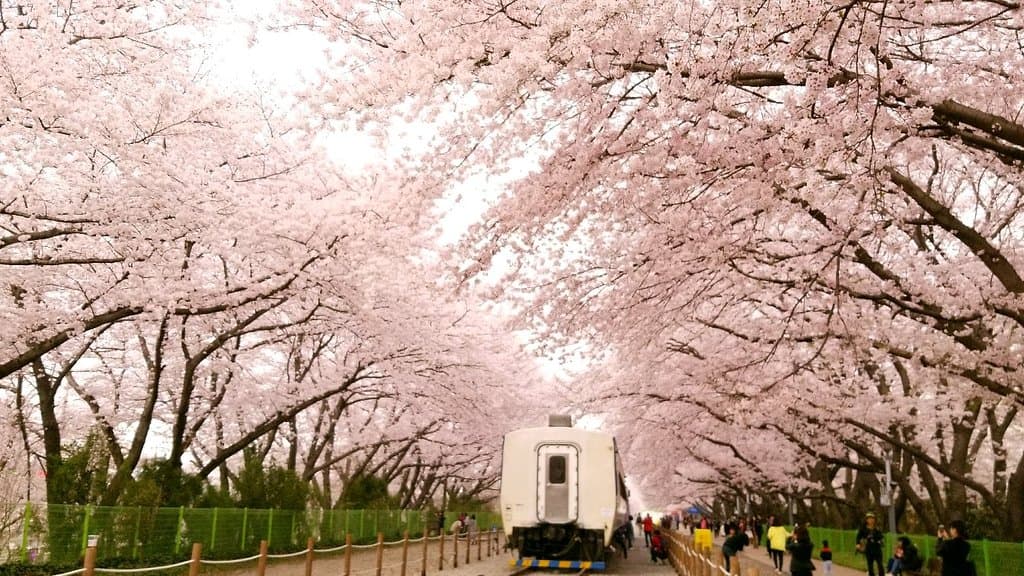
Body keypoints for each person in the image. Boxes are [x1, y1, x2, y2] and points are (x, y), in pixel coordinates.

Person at [856, 512, 885, 576]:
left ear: (874, 520)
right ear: (866, 520)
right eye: (869, 518)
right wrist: (858, 544)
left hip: (877, 548)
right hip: (869, 549)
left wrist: (881, 540)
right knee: (870, 566)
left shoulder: (877, 528)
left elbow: (881, 537)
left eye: (872, 518)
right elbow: (858, 537)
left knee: (880, 565)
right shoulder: (863, 528)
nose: (871, 520)